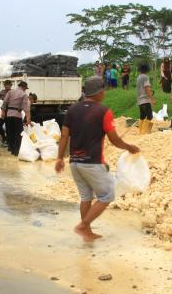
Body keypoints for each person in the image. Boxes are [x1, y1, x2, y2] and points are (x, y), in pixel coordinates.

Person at [55, 76, 140, 242]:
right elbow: (114, 140)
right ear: (100, 92)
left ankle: (86, 231)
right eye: (104, 91)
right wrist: (130, 148)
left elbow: (64, 135)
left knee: (86, 197)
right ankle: (83, 225)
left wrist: (59, 158)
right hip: (92, 162)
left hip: (75, 162)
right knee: (107, 196)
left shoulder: (72, 110)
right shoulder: (103, 111)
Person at [3, 81, 31, 156]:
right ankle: (16, 151)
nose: (25, 90)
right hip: (17, 116)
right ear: (24, 87)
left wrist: (3, 112)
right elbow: (26, 107)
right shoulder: (24, 94)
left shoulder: (10, 92)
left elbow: (5, 102)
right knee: (18, 134)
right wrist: (28, 118)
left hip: (8, 115)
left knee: (10, 132)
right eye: (25, 88)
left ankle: (11, 149)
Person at [0, 80, 13, 145]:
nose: (7, 86)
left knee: (8, 127)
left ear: (11, 85)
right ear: (4, 85)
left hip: (10, 113)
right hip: (3, 112)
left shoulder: (13, 92)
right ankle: (4, 138)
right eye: (6, 85)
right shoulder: (2, 92)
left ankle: (8, 141)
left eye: (9, 85)